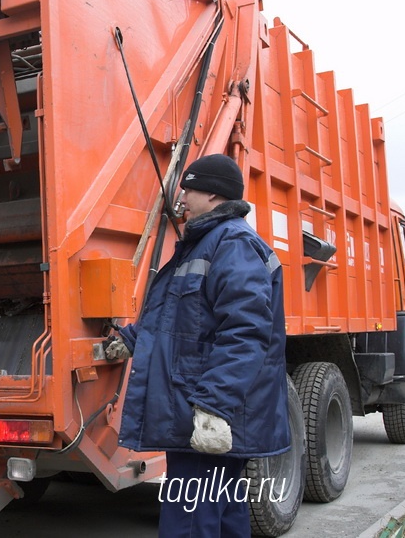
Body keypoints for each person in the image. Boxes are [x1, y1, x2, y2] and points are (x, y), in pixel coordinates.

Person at [104, 154, 289, 537]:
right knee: (223, 517)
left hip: (203, 411)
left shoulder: (232, 244)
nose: (182, 196)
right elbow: (181, 321)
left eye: (188, 188)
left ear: (214, 194)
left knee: (189, 523)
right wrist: (131, 339)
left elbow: (246, 331)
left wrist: (213, 407)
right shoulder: (207, 244)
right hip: (198, 407)